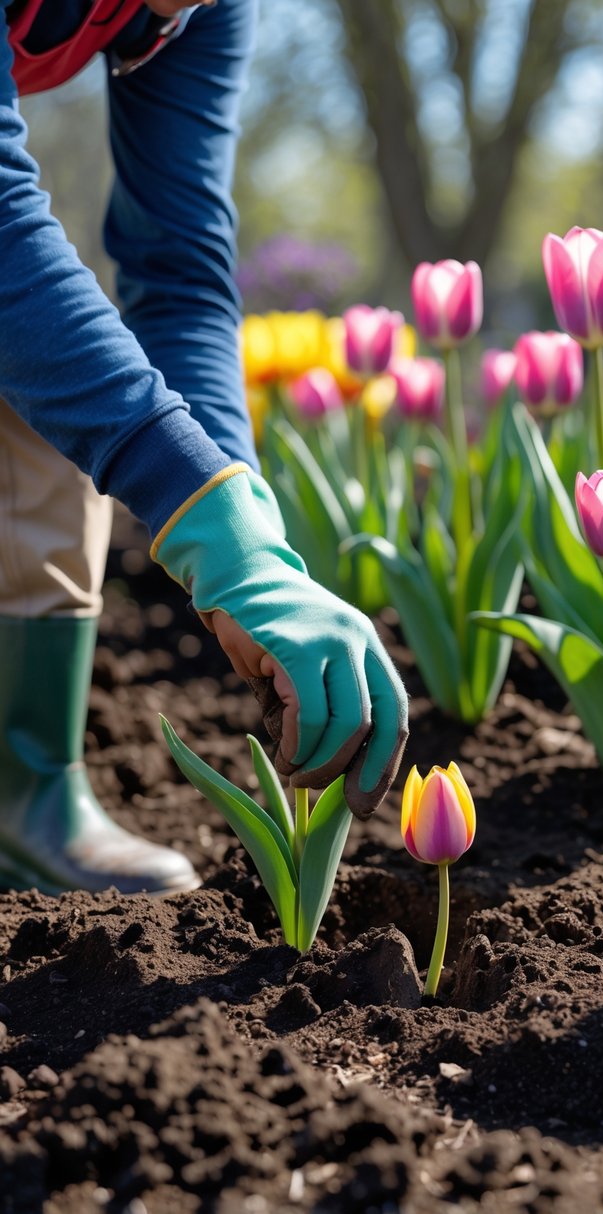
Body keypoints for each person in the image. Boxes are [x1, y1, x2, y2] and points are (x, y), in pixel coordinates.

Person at [0, 0, 409, 896]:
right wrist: (215, 528)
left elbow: (179, 273)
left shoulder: (196, 13)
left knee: (46, 372)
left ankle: (22, 795)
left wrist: (244, 549)